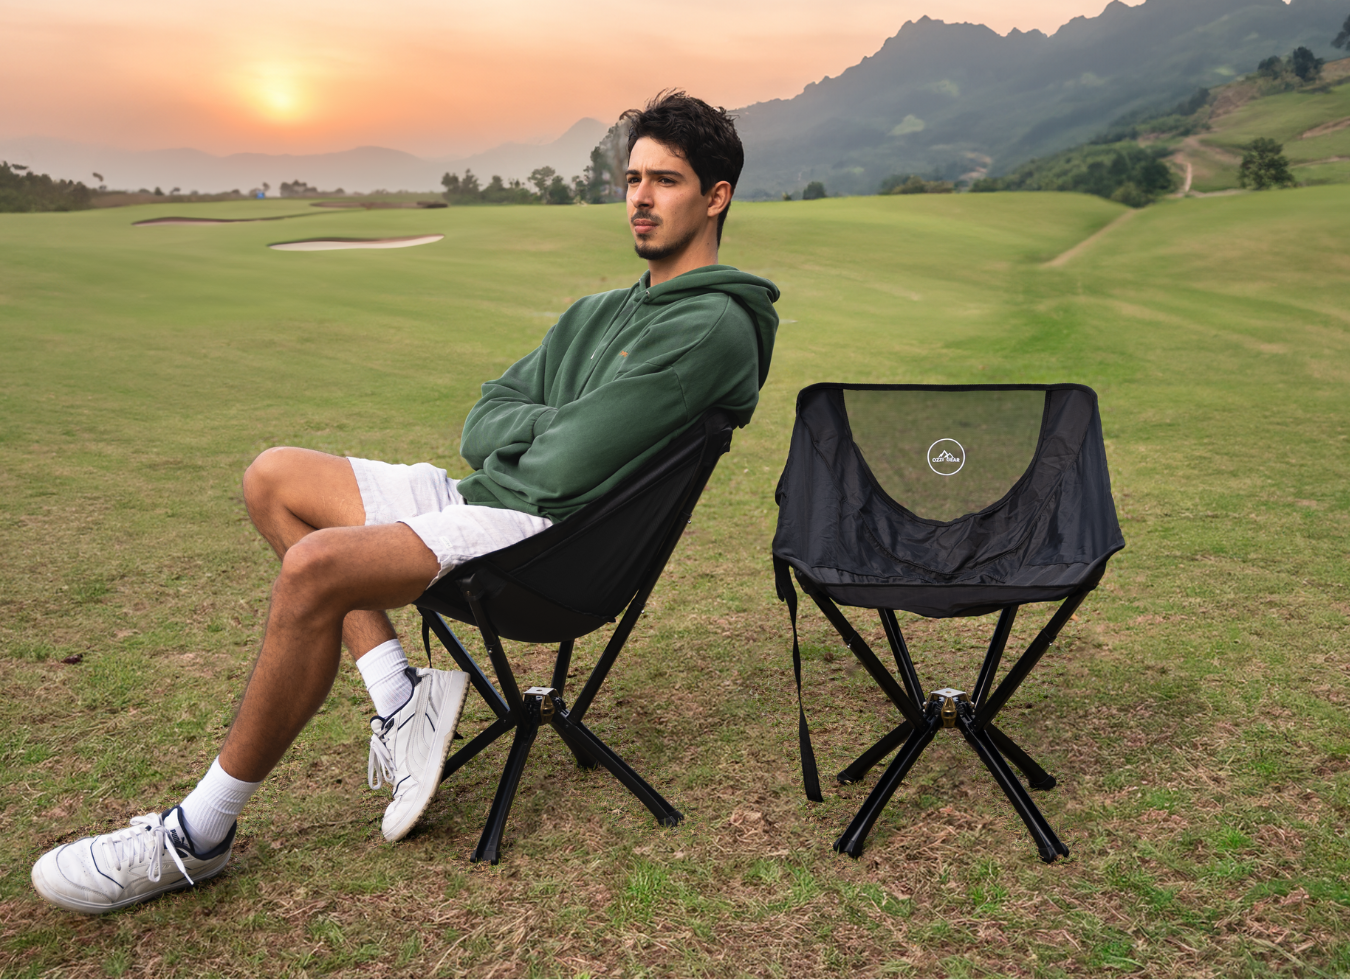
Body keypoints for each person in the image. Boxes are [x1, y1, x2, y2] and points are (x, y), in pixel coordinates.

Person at [31, 90, 780, 914]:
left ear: (716, 197)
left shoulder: (712, 326)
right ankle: (403, 701)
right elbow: (481, 418)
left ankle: (198, 834)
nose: (640, 197)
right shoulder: (599, 311)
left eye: (665, 181)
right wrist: (543, 425)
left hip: (546, 542)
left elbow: (563, 469)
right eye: (633, 177)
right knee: (273, 478)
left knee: (319, 566)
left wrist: (538, 430)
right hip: (493, 497)